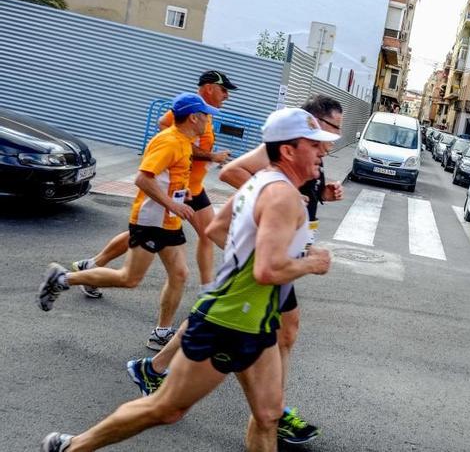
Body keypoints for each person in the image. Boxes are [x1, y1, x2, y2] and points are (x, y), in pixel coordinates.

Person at [40, 107, 338, 452]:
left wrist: (249, 257)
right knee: (166, 408)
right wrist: (311, 263)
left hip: (258, 321)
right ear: (288, 150)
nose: (322, 152)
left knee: (269, 415)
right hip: (228, 321)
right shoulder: (283, 195)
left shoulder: (261, 181)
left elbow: (217, 228)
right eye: (314, 145)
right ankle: (72, 446)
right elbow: (268, 271)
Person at [125, 94, 344, 446]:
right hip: (274, 256)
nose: (334, 139)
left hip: (282, 252)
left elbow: (296, 192)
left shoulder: (311, 153)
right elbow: (232, 171)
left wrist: (322, 196)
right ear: (314, 121)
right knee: (265, 329)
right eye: (334, 127)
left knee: (260, 324)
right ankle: (274, 411)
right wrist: (271, 198)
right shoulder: (287, 147)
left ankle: (157, 369)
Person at [37, 93, 217, 350]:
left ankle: (161, 332)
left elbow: (169, 176)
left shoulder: (184, 141)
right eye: (206, 116)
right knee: (129, 278)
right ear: (193, 118)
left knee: (179, 274)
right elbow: (143, 179)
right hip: (151, 220)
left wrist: (182, 192)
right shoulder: (169, 142)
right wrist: (173, 203)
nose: (209, 121)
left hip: (169, 221)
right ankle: (63, 279)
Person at [72, 70, 235, 318]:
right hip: (176, 190)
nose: (227, 96)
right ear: (210, 88)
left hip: (189, 190)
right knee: (138, 263)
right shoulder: (189, 110)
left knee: (152, 240)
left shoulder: (205, 115)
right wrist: (204, 156)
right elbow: (164, 130)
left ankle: (92, 266)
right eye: (224, 90)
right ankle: (209, 290)